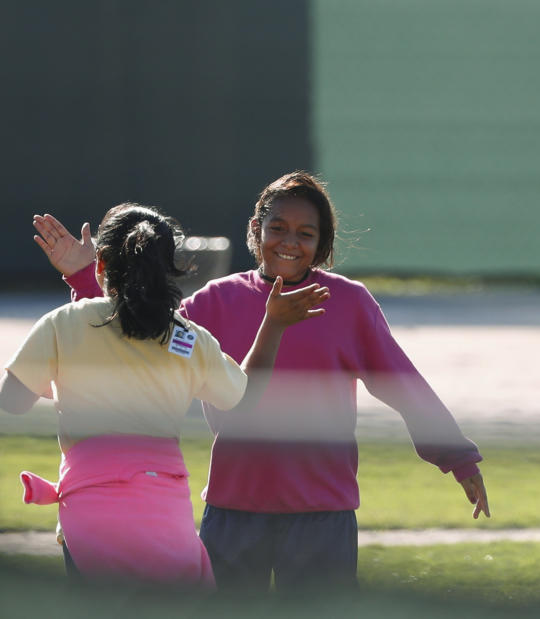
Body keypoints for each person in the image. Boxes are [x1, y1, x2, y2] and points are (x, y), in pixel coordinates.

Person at [32, 171, 489, 594]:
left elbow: (403, 384)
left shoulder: (349, 304)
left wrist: (459, 458)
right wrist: (83, 277)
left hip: (322, 514)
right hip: (233, 512)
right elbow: (140, 337)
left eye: (305, 234)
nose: (289, 242)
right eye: (278, 228)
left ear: (323, 243)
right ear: (256, 228)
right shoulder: (218, 300)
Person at [0, 203, 329, 586]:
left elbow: (12, 402)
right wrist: (273, 324)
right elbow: (244, 399)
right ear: (168, 264)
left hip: (87, 515)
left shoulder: (63, 323)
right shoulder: (186, 337)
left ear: (102, 263)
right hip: (164, 513)